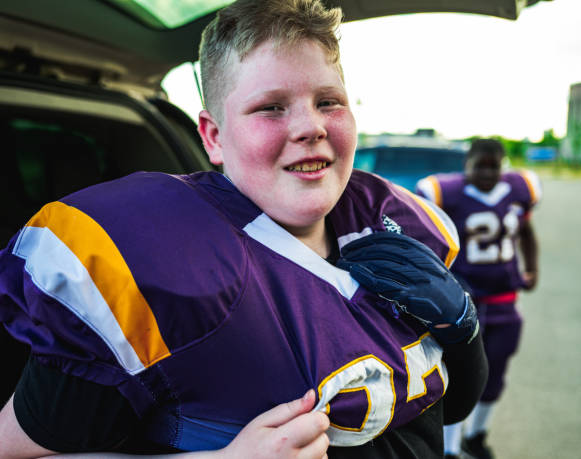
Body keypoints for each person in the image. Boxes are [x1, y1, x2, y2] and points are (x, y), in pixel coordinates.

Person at [0, 0, 487, 457]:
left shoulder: (389, 223)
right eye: (271, 107)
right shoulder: (153, 268)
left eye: (329, 101)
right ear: (213, 136)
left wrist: (463, 334)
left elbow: (445, 408)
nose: (310, 126)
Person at [415, 138, 541, 459]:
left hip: (504, 299)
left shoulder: (517, 191)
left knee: (496, 373)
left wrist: (532, 268)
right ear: (466, 165)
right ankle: (451, 448)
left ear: (503, 166)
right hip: (465, 302)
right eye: (479, 165)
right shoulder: (446, 193)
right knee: (457, 377)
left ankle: (478, 435)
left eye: (493, 166)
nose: (486, 172)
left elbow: (526, 232)